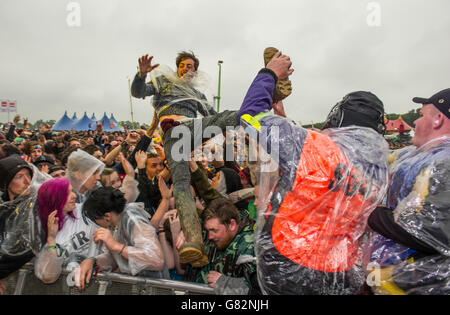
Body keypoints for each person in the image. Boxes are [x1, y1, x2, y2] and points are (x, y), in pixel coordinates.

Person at [236, 51, 389, 295]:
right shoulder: (381, 170)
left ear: (338, 115)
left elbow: (249, 116)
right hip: (339, 274)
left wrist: (270, 73)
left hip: (287, 265)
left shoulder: (314, 145)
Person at [131, 51, 245, 266]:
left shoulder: (196, 93)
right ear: (178, 68)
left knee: (226, 117)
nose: (187, 69)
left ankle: (261, 103)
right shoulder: (164, 81)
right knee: (181, 185)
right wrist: (141, 74)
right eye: (183, 65)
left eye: (191, 66)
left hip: (190, 130)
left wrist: (223, 133)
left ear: (196, 70)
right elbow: (138, 93)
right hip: (171, 135)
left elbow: (212, 113)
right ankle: (193, 243)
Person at [364, 88, 450, 295]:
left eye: (420, 116)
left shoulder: (443, 164)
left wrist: (368, 212)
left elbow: (427, 231)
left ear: (438, 119)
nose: (416, 124)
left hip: (413, 284)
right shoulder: (422, 155)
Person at [75, 187, 169, 290]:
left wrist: (116, 246)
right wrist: (94, 261)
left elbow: (156, 259)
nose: (96, 223)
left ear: (107, 216)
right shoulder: (113, 224)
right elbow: (116, 258)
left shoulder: (133, 220)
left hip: (154, 288)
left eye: (96, 219)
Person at [34, 177, 101, 284]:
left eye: (72, 191)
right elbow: (47, 276)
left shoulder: (83, 213)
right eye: (67, 193)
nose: (74, 196)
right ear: (54, 198)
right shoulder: (40, 228)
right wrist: (51, 239)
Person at [0, 155, 51, 284]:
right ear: (6, 181)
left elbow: (27, 249)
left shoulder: (34, 207)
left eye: (28, 175)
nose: (28, 181)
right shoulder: (3, 209)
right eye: (19, 176)